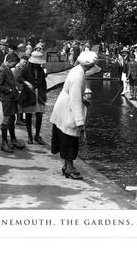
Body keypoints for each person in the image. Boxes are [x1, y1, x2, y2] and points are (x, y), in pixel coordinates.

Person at [50, 50, 98, 179]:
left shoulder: (77, 69)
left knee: (65, 137)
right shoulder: (78, 76)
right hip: (68, 109)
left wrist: (83, 98)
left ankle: (67, 166)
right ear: (90, 65)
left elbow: (75, 94)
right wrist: (80, 122)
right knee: (70, 138)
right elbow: (75, 100)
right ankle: (69, 168)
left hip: (63, 105)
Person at [0, 56, 26, 152]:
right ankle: (4, 143)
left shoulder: (7, 68)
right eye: (14, 64)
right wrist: (9, 89)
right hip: (7, 99)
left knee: (12, 118)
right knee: (6, 119)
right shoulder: (3, 70)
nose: (15, 66)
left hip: (12, 98)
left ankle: (13, 140)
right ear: (9, 61)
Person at [18, 49, 48, 144]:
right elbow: (19, 78)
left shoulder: (40, 70)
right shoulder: (26, 68)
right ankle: (30, 136)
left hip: (39, 95)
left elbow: (43, 83)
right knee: (28, 115)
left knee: (39, 115)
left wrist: (44, 94)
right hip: (28, 95)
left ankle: (37, 136)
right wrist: (27, 83)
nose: (37, 64)